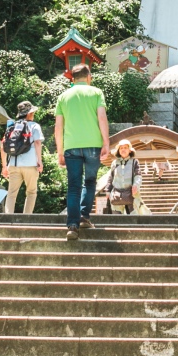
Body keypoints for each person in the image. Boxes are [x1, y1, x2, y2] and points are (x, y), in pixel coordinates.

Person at [54, 63, 111, 240]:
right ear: (89, 77)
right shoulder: (96, 92)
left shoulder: (63, 96)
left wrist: (60, 152)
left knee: (73, 187)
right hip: (93, 145)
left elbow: (58, 127)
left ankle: (72, 225)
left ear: (72, 78)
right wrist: (106, 143)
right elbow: (102, 118)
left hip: (71, 147)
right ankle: (84, 217)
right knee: (90, 181)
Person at [0, 101, 45, 214]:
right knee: (31, 192)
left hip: (14, 165)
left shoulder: (12, 126)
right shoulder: (34, 126)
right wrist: (39, 161)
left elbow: (3, 146)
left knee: (11, 194)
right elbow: (38, 143)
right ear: (29, 113)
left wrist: (4, 166)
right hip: (30, 165)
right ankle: (26, 218)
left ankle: (8, 218)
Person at [104, 139, 142, 214]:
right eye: (121, 148)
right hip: (116, 194)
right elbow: (110, 177)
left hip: (130, 193)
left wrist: (136, 185)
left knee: (132, 219)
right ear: (118, 150)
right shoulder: (114, 163)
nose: (123, 150)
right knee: (116, 219)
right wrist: (108, 191)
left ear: (130, 150)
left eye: (125, 148)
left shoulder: (134, 162)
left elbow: (138, 175)